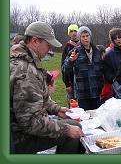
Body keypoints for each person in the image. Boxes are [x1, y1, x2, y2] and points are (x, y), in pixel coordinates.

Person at [10, 21, 85, 154]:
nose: (50, 49)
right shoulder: (24, 70)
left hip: (21, 129)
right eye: (48, 45)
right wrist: (65, 129)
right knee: (72, 131)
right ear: (35, 41)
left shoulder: (28, 60)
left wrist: (56, 109)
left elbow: (36, 97)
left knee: (73, 125)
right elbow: (32, 122)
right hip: (18, 138)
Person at [62, 26, 103, 110]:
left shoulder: (97, 51)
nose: (85, 38)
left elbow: (102, 69)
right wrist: (70, 61)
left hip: (96, 91)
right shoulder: (74, 51)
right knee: (85, 118)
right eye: (83, 36)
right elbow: (64, 70)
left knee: (98, 117)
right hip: (82, 92)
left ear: (90, 36)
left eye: (87, 36)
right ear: (79, 38)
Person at [61, 24, 79, 104]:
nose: (74, 33)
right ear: (69, 33)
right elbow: (63, 67)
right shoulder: (67, 48)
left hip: (81, 79)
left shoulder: (83, 45)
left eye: (75, 31)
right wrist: (67, 84)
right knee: (72, 103)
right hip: (71, 80)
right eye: (71, 31)